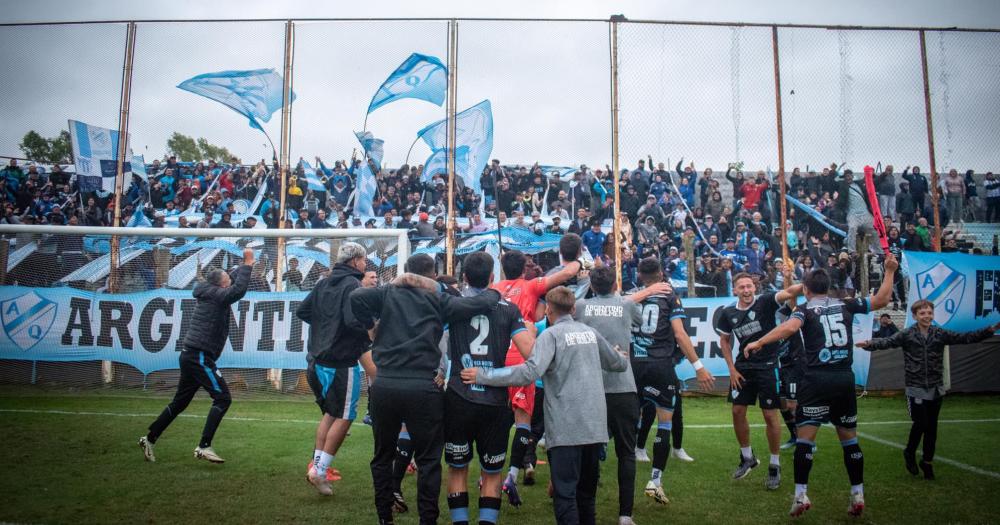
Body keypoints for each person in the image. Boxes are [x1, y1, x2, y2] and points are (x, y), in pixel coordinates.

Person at [744, 254, 899, 518]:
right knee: (850, 440)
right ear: (828, 288)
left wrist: (758, 342)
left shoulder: (803, 310)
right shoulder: (846, 304)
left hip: (816, 379)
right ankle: (857, 493)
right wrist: (889, 271)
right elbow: (883, 299)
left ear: (805, 290)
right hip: (843, 379)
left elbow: (789, 329)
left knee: (805, 440)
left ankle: (800, 495)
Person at [350, 254, 501, 525]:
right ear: (433, 277)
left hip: (386, 384)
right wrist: (495, 290)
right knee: (429, 459)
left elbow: (356, 298)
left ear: (406, 273)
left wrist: (371, 326)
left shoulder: (388, 293)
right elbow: (483, 302)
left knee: (383, 455)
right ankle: (427, 520)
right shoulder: (438, 298)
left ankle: (384, 517)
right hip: (423, 386)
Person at [461, 286, 628, 525]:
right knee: (587, 496)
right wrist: (620, 355)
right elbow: (618, 364)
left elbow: (530, 372)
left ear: (548, 309)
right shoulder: (590, 333)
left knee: (566, 495)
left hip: (566, 429)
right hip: (594, 428)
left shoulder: (551, 336)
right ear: (573, 308)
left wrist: (483, 375)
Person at [857, 300, 999, 480]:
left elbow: (965, 338)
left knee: (932, 428)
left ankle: (927, 461)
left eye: (929, 313)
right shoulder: (908, 334)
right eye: (922, 313)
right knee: (921, 423)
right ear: (915, 316)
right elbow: (888, 341)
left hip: (935, 388)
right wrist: (869, 343)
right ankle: (909, 452)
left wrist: (991, 329)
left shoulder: (939, 333)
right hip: (915, 388)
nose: (926, 316)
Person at [443, 252, 535, 525]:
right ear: (493, 278)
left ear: (465, 277)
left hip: (459, 397)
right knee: (492, 473)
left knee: (458, 470)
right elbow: (530, 353)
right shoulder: (508, 308)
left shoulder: (452, 305)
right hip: (494, 401)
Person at [574, 265, 671, 525]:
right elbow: (640, 322)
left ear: (593, 286)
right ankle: (625, 515)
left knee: (590, 452)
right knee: (626, 453)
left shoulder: (582, 308)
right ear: (615, 284)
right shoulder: (626, 306)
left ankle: (587, 512)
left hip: (591, 387)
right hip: (623, 387)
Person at [138, 248, 253, 464]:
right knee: (223, 398)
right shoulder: (218, 295)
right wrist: (247, 264)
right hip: (199, 356)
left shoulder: (211, 290)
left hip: (191, 355)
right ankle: (204, 446)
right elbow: (236, 291)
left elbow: (233, 279)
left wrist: (244, 263)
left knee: (180, 402)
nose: (230, 279)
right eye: (228, 279)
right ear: (221, 284)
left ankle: (149, 438)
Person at [491, 243, 583, 505]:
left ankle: (491, 473)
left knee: (498, 420)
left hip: (495, 359)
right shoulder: (530, 286)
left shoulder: (494, 289)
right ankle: (511, 475)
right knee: (523, 421)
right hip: (520, 355)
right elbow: (565, 274)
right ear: (523, 270)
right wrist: (578, 260)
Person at [629, 257, 715, 505]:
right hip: (659, 366)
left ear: (640, 275)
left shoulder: (633, 295)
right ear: (661, 272)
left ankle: (609, 458)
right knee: (664, 420)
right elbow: (679, 332)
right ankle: (655, 481)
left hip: (634, 365)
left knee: (625, 418)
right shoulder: (669, 296)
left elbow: (617, 305)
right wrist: (698, 366)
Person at [296, 242, 376, 496]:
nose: (366, 265)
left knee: (331, 413)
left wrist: (326, 324)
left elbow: (303, 311)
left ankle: (318, 465)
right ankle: (319, 470)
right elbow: (354, 322)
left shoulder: (323, 282)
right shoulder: (352, 285)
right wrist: (372, 327)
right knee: (345, 415)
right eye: (364, 260)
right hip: (341, 361)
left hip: (317, 359)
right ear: (354, 261)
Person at [715, 272, 803, 490]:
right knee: (737, 411)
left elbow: (791, 292)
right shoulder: (728, 312)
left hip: (767, 366)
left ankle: (774, 465)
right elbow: (724, 341)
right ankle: (747, 457)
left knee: (769, 415)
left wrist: (805, 281)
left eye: (749, 286)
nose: (746, 290)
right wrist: (731, 369)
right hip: (742, 368)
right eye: (741, 287)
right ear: (734, 290)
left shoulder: (766, 301)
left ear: (755, 287)